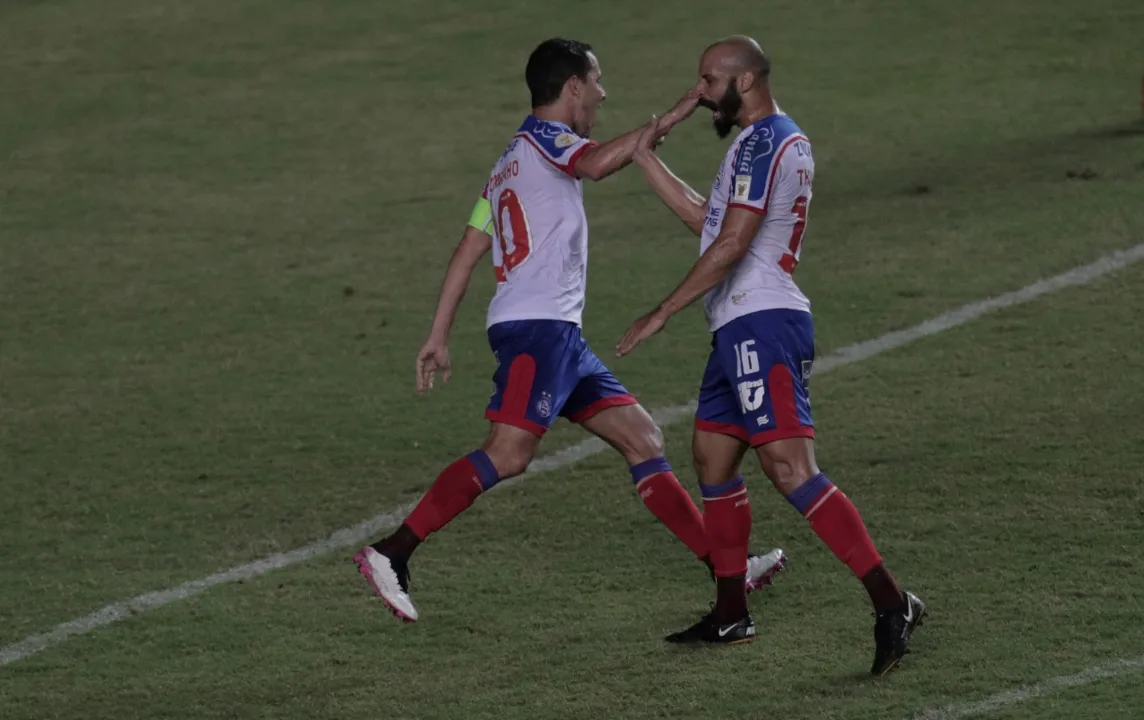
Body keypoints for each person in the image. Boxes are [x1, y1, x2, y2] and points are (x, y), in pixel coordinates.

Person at [355, 38, 786, 625]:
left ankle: (723, 565)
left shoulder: (506, 161)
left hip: (550, 331)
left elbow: (467, 250)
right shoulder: (550, 139)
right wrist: (674, 116)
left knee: (642, 438)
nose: (604, 93)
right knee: (507, 454)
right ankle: (392, 553)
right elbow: (601, 163)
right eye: (598, 81)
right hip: (540, 329)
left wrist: (437, 334)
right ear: (574, 87)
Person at [615, 36, 924, 674]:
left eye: (707, 81)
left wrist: (662, 311)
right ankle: (731, 611)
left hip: (761, 321)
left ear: (746, 81)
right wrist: (645, 160)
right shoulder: (757, 143)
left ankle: (892, 603)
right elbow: (711, 222)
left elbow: (729, 246)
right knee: (712, 455)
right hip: (738, 323)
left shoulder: (764, 141)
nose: (699, 93)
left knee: (789, 469)